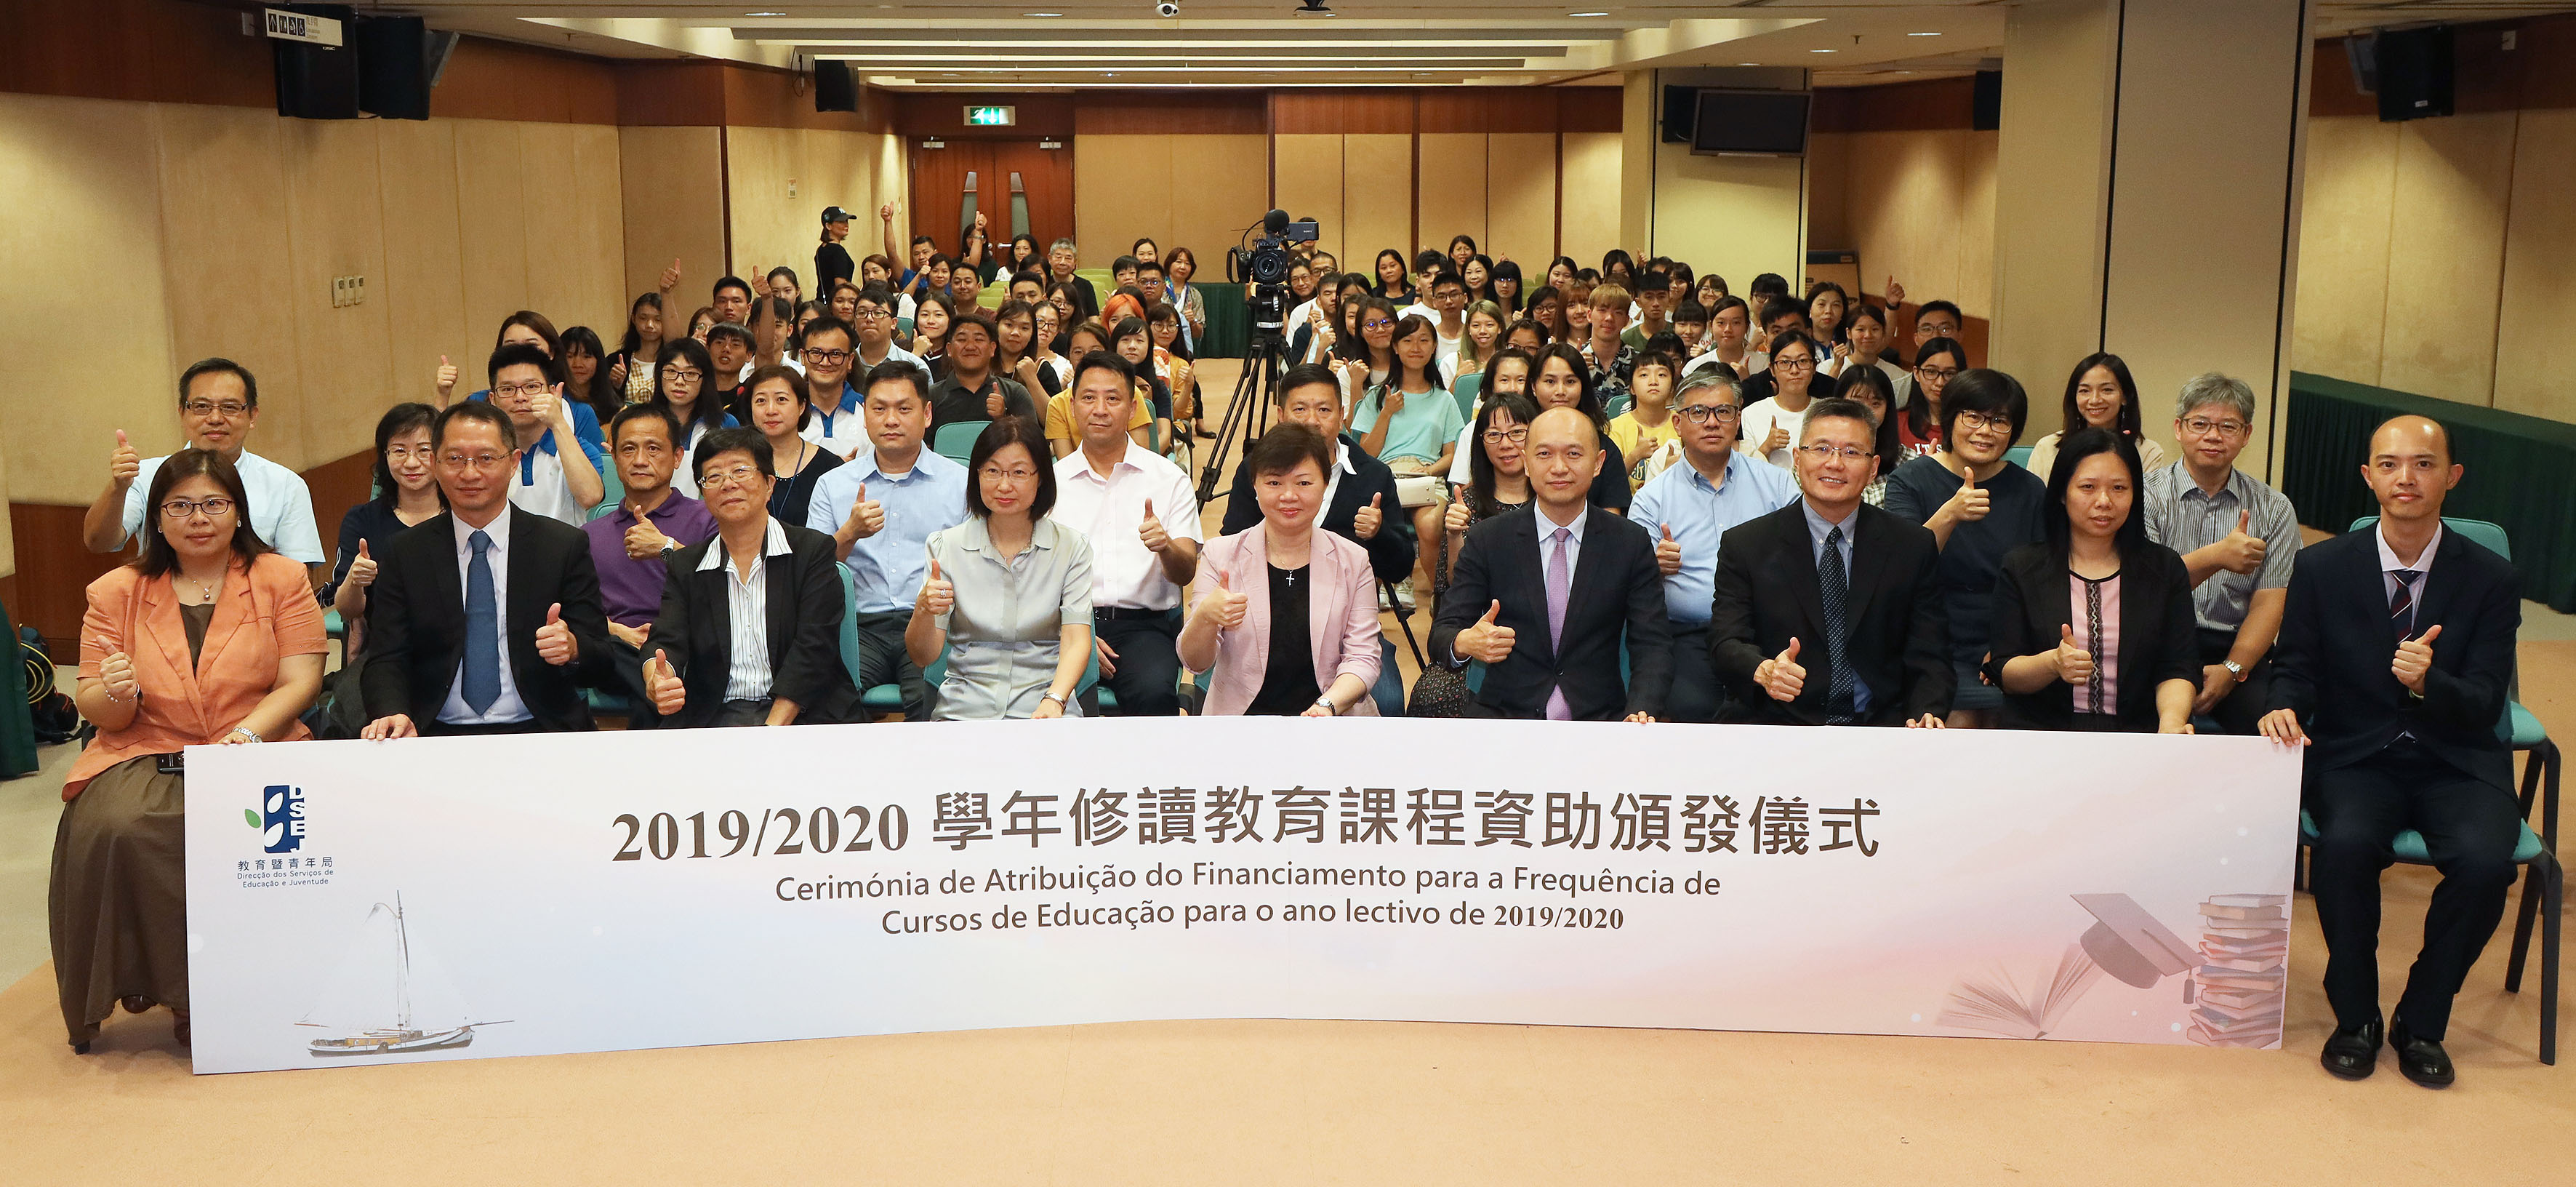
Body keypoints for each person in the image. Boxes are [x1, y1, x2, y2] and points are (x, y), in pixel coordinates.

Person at [2263, 415, 2522, 1090]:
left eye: (2423, 464)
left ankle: (2421, 1017)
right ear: (2368, 476)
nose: (2405, 478)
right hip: (2357, 755)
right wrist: (2280, 702)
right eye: (2389, 464)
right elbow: (2295, 665)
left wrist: (2430, 684)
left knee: (2486, 863)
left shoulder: (2491, 578)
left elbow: (2485, 702)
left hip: (2457, 757)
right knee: (2344, 848)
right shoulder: (2321, 567)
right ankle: (2356, 1017)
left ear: (2451, 476)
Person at [58, 449, 326, 1051]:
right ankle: (173, 990)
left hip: (257, 741)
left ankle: (271, 980)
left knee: (268, 833)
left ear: (238, 512)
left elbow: (302, 680)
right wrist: (117, 692)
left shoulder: (281, 579)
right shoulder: (116, 591)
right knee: (120, 826)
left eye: (213, 504)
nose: (197, 518)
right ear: (156, 518)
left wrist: (247, 736)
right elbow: (96, 705)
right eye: (179, 506)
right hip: (147, 744)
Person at [359, 401, 610, 738]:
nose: (470, 473)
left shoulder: (562, 547)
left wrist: (574, 648)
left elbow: (602, 659)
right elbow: (386, 657)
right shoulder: (404, 553)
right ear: (434, 464)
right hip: (434, 730)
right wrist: (393, 712)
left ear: (514, 463)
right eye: (455, 459)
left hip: (539, 727)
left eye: (486, 458)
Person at [1709, 397, 1950, 727]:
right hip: (1778, 721)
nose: (1835, 463)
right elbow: (1726, 642)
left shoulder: (1911, 546)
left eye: (1852, 452)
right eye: (1821, 449)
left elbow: (1931, 654)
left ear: (1874, 468)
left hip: (1882, 724)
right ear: (1797, 459)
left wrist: (1926, 714)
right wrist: (1763, 670)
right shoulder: (1747, 545)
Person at [1432, 408, 1669, 722]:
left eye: (1574, 454)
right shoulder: (1489, 539)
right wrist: (1465, 641)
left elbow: (1652, 643)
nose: (1559, 468)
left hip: (1601, 717)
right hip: (1505, 715)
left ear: (1598, 463)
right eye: (1544, 454)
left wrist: (1641, 710)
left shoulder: (1629, 542)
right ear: (1526, 462)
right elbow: (1443, 630)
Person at [637, 428, 859, 729]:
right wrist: (657, 678)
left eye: (740, 471)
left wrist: (769, 732)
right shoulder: (687, 565)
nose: (728, 484)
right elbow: (666, 639)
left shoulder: (813, 552)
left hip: (806, 714)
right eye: (714, 476)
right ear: (703, 494)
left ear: (769, 484)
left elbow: (814, 649)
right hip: (717, 714)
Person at [1983, 428, 2199, 733]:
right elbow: (2005, 671)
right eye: (2088, 487)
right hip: (2043, 735)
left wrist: (2172, 723)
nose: (2104, 501)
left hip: (2138, 734)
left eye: (2119, 488)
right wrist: (2052, 663)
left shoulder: (2165, 569)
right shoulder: (2022, 567)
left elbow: (2178, 666)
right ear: (2062, 492)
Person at [1629, 370, 1801, 723]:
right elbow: (1631, 586)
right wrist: (1652, 566)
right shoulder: (1651, 499)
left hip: (1764, 634)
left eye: (1723, 411)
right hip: (1689, 638)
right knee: (1691, 712)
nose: (1712, 422)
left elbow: (1807, 555)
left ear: (1737, 419)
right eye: (1698, 412)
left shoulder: (1778, 485)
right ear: (1677, 423)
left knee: (1777, 713)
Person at [1882, 368, 2046, 727]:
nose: (1985, 431)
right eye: (1973, 416)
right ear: (1949, 418)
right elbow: (1899, 571)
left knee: (2014, 723)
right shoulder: (1910, 480)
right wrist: (1950, 514)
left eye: (1999, 421)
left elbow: (2042, 583)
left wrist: (2010, 643)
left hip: (2004, 638)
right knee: (1959, 721)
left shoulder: (2031, 490)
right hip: (1930, 638)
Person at [1184, 425, 1384, 717]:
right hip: (1242, 721)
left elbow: (1363, 657)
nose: (1289, 496)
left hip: (1330, 716)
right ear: (1255, 486)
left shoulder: (1353, 560)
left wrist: (1327, 706)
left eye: (1303, 483)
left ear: (1325, 485)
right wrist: (1205, 617)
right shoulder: (1221, 555)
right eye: (1274, 483)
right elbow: (1195, 662)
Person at [808, 361, 968, 722]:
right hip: (858, 627)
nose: (891, 420)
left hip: (933, 624)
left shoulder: (960, 484)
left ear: (927, 414)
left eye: (904, 409)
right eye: (879, 409)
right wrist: (849, 533)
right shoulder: (833, 484)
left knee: (935, 706)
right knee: (828, 705)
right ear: (865, 415)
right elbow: (812, 573)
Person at [2142, 373, 2300, 735]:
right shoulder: (2145, 496)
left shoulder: (2274, 508)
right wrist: (2216, 556)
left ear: (2246, 435)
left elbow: (2270, 603)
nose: (2213, 436)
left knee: (2274, 732)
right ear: (2179, 428)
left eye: (2228, 426)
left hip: (2233, 646)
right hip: (2155, 642)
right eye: (2200, 424)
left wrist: (2232, 669)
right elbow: (2144, 590)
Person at [913, 415, 1094, 719]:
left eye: (1019, 472)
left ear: (1041, 478)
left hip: (1045, 706)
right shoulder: (945, 547)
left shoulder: (1071, 548)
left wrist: (1055, 699)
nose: (1004, 485)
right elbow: (923, 656)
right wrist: (923, 610)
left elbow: (1076, 639)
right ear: (977, 475)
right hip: (965, 710)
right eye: (992, 471)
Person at [86, 359, 328, 585]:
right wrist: (118, 488)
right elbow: (99, 542)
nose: (215, 418)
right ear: (182, 413)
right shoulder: (147, 475)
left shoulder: (285, 485)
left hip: (255, 610)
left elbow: (298, 579)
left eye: (230, 407)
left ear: (252, 416)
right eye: (201, 407)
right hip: (161, 609)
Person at [1053, 352, 1201, 716]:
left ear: (1133, 408)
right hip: (1062, 626)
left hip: (1143, 629)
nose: (1100, 410)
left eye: (1113, 398)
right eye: (1089, 398)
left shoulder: (1169, 479)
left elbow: (1185, 572)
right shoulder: (1050, 484)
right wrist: (1077, 636)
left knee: (1154, 698)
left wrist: (1165, 547)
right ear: (1072, 406)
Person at [582, 404, 719, 727]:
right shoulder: (589, 534)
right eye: (629, 449)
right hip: (618, 649)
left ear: (677, 456)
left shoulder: (708, 519)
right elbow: (577, 611)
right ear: (614, 457)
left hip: (686, 645)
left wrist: (666, 549)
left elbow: (724, 588)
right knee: (604, 650)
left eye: (654, 449)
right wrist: (617, 630)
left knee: (665, 672)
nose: (640, 460)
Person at [1219, 364, 1414, 588]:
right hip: (1266, 593)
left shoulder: (1373, 476)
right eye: (1300, 409)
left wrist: (1379, 533)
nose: (1312, 421)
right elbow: (1233, 544)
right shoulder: (1255, 468)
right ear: (1281, 415)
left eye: (1324, 410)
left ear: (1341, 415)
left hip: (1345, 600)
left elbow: (1401, 568)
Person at [1352, 316, 1464, 603]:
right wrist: (1387, 412)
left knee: (1430, 526)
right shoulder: (1378, 396)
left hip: (1426, 477)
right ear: (1395, 347)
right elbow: (1366, 453)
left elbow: (1452, 454)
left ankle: (1442, 596)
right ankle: (1396, 581)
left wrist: (1429, 469)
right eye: (1408, 340)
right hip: (1384, 475)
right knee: (1379, 521)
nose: (1416, 347)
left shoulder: (1445, 400)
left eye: (1424, 340)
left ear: (1434, 347)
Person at [326, 404, 446, 655]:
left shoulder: (464, 516)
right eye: (399, 451)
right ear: (385, 455)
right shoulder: (362, 520)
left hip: (453, 648)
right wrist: (355, 581)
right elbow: (347, 610)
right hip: (386, 652)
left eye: (424, 450)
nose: (411, 462)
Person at [489, 344, 606, 524]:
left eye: (531, 386)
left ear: (552, 392)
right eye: (507, 389)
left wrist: (558, 422)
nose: (520, 397)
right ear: (493, 400)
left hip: (566, 542)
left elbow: (590, 497)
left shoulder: (580, 448)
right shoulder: (485, 454)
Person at [2024, 352, 2168, 481]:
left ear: (2125, 396)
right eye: (2085, 391)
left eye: (2107, 390)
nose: (2094, 400)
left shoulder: (2147, 452)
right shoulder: (2047, 448)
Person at [1529, 344, 1632, 513]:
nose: (1560, 391)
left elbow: (1611, 518)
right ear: (1534, 386)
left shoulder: (1603, 446)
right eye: (1550, 382)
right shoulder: (1517, 440)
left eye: (1570, 382)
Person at [743, 365, 843, 527]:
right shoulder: (737, 464)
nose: (771, 410)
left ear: (802, 406)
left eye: (781, 400)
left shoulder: (830, 467)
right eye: (761, 401)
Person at [928, 310, 1036, 434]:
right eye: (962, 340)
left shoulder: (1015, 393)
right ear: (949, 349)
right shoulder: (931, 396)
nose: (970, 346)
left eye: (979, 340)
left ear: (992, 349)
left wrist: (1003, 418)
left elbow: (1032, 441)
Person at [1736, 329, 1821, 471]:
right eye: (1785, 362)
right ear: (1772, 369)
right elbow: (1744, 472)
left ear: (1814, 367)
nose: (1794, 370)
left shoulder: (1827, 412)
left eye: (1802, 361)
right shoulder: (1751, 414)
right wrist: (1766, 448)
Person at [793, 314, 870, 456]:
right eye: (816, 353)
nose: (825, 362)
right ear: (803, 356)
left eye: (835, 354)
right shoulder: (788, 411)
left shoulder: (869, 411)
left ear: (850, 360)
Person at [1605, 351, 1680, 492]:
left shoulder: (1682, 423)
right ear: (1632, 388)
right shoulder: (1615, 428)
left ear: (1672, 388)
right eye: (1644, 375)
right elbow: (1606, 484)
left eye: (1662, 375)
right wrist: (1635, 456)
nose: (1653, 381)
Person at [1902, 336, 1965, 456]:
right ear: (1916, 373)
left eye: (1950, 374)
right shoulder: (1897, 422)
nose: (1940, 382)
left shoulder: (1970, 424)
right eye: (1931, 372)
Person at [614, 293, 667, 404]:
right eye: (643, 318)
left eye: (658, 319)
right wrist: (615, 384)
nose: (650, 325)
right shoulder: (616, 360)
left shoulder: (672, 361)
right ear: (634, 319)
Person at [1046, 237, 1098, 318]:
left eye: (1068, 258)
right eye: (1058, 257)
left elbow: (1093, 317)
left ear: (1075, 262)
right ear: (1050, 259)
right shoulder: (1045, 283)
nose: (1063, 262)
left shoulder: (1085, 285)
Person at [816, 206, 859, 298]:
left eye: (846, 221)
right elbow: (840, 285)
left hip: (822, 300)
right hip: (836, 301)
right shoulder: (838, 251)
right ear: (828, 226)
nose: (846, 225)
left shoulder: (821, 249)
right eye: (841, 222)